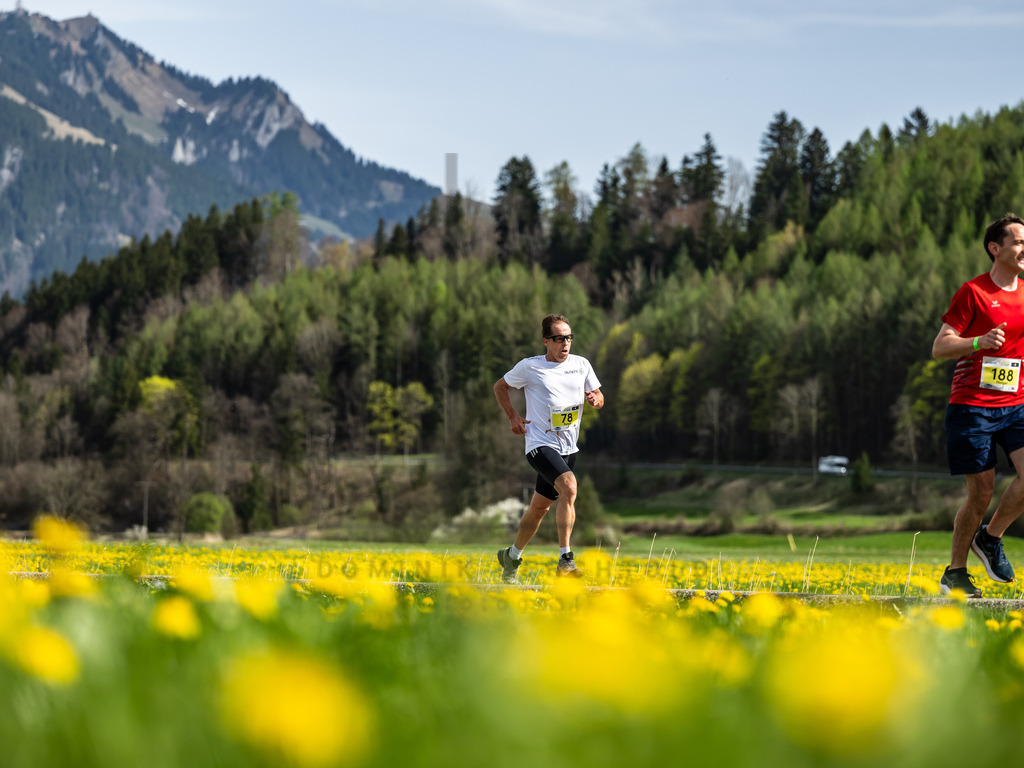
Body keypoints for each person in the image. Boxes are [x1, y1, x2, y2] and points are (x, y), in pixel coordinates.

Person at [932, 213, 1024, 597]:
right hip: (973, 406)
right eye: (1018, 241)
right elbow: (939, 347)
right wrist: (976, 342)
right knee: (980, 493)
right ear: (995, 248)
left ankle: (990, 538)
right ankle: (955, 572)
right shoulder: (973, 292)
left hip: (1017, 404)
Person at [493, 314, 604, 583]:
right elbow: (500, 386)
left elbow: (599, 396)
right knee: (570, 487)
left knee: (539, 509)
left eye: (569, 337)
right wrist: (513, 417)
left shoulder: (581, 365)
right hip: (540, 445)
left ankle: (512, 557)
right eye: (559, 338)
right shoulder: (530, 367)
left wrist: (595, 399)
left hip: (568, 448)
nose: (565, 343)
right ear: (546, 341)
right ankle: (565, 561)